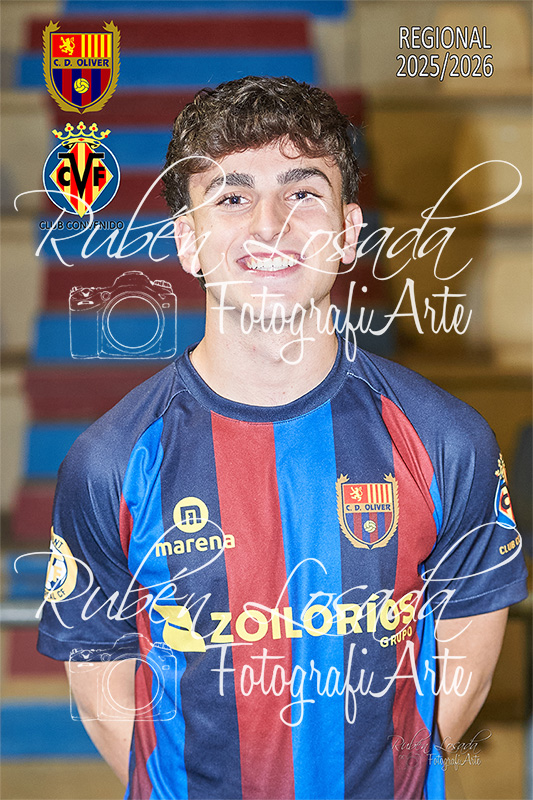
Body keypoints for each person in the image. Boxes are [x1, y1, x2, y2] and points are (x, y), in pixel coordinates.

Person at [38, 76, 527, 800]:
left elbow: (467, 664)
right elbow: (103, 686)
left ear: (349, 232)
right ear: (187, 241)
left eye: (302, 193)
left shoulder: (447, 440)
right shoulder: (110, 460)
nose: (269, 225)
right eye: (231, 198)